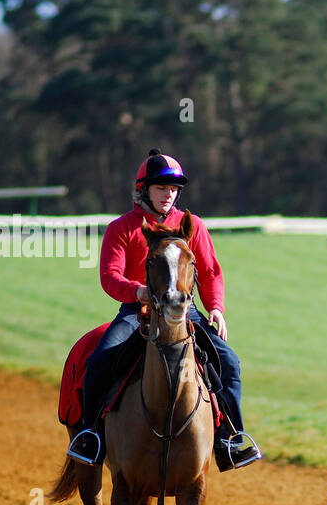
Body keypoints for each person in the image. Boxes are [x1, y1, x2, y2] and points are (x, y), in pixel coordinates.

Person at [66, 149, 262, 471]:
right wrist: (138, 291)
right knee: (100, 359)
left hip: (185, 311)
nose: (168, 194)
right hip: (136, 311)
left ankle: (231, 438)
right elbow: (109, 275)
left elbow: (210, 271)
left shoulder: (191, 226)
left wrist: (215, 308)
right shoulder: (122, 228)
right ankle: (91, 437)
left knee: (229, 362)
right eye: (161, 188)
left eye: (173, 189)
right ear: (144, 190)